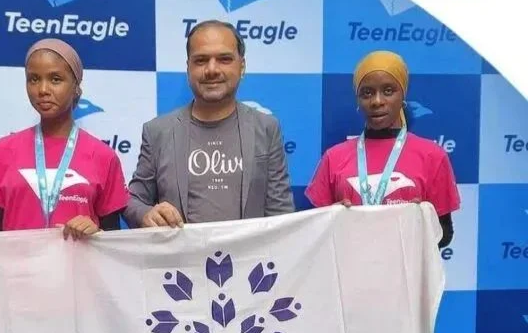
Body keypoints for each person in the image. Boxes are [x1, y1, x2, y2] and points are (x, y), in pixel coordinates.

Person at [123, 20, 294, 228]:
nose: (212, 69)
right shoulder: (158, 131)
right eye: (201, 60)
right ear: (188, 68)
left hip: (249, 250)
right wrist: (145, 214)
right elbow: (132, 200)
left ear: (242, 66)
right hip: (180, 250)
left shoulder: (267, 128)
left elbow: (281, 214)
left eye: (224, 59)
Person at [305, 50, 460, 247]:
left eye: (388, 91)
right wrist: (331, 221)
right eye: (367, 93)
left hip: (407, 267)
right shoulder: (333, 157)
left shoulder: (432, 156)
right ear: (358, 100)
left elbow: (445, 234)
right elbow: (314, 236)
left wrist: (421, 223)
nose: (377, 101)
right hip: (351, 265)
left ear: (402, 95)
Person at [0, 39, 128, 239]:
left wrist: (97, 233)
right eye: (34, 79)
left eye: (55, 79)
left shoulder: (104, 156)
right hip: (17, 260)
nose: (43, 89)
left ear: (76, 87)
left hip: (80, 260)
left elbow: (114, 237)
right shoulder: (2, 150)